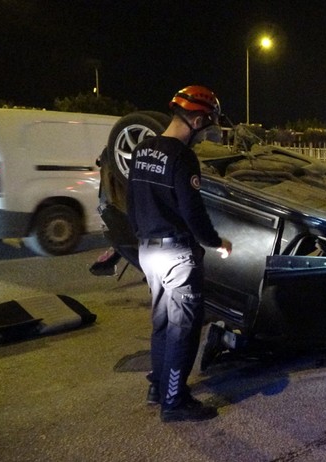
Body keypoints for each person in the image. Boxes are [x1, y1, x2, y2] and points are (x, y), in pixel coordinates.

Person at [126, 85, 233, 422]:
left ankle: (158, 387)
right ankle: (175, 402)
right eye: (207, 126)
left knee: (161, 322)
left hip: (148, 251)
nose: (205, 134)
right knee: (184, 328)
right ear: (198, 119)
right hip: (176, 255)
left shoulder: (142, 150)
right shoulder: (182, 157)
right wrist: (216, 242)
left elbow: (130, 203)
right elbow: (193, 212)